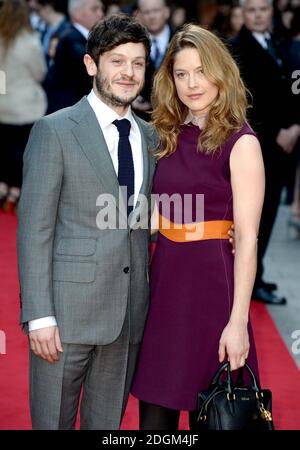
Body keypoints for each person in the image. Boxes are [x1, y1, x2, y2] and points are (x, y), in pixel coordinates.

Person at [17, 14, 158, 430]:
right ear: (91, 65)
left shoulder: (152, 137)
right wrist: (39, 314)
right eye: (117, 61)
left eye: (137, 63)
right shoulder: (55, 131)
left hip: (129, 313)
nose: (129, 73)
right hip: (65, 317)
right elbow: (34, 229)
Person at [131, 23, 265, 430]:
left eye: (201, 71)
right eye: (181, 73)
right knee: (155, 416)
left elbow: (246, 239)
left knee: (216, 414)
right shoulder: (166, 135)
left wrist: (238, 322)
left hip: (213, 293)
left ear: (220, 73)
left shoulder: (242, 143)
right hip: (166, 289)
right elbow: (155, 213)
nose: (192, 83)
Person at [230, 0, 300, 304]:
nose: (258, 15)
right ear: (243, 14)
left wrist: (296, 126)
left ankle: (257, 275)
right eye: (252, 10)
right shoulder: (237, 50)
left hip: (285, 147)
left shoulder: (278, 43)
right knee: (254, 217)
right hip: (258, 148)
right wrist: (277, 134)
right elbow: (242, 104)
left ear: (271, 12)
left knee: (269, 214)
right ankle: (248, 279)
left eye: (263, 9)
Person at [0, 0, 47, 212]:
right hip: (28, 106)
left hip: (4, 105)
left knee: (6, 150)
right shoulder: (30, 41)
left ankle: (3, 187)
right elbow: (40, 73)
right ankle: (17, 190)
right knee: (25, 153)